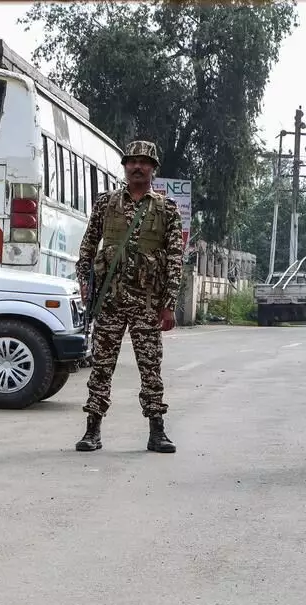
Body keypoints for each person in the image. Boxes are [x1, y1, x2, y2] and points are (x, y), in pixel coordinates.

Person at [74, 140, 184, 454]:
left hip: (147, 303)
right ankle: (92, 430)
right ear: (124, 166)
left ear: (153, 169)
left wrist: (168, 304)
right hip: (109, 301)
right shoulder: (106, 203)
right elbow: (88, 247)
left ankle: (157, 431)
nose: (137, 166)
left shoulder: (166, 209)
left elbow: (175, 259)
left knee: (150, 368)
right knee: (101, 367)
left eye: (144, 162)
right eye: (132, 161)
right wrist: (85, 283)